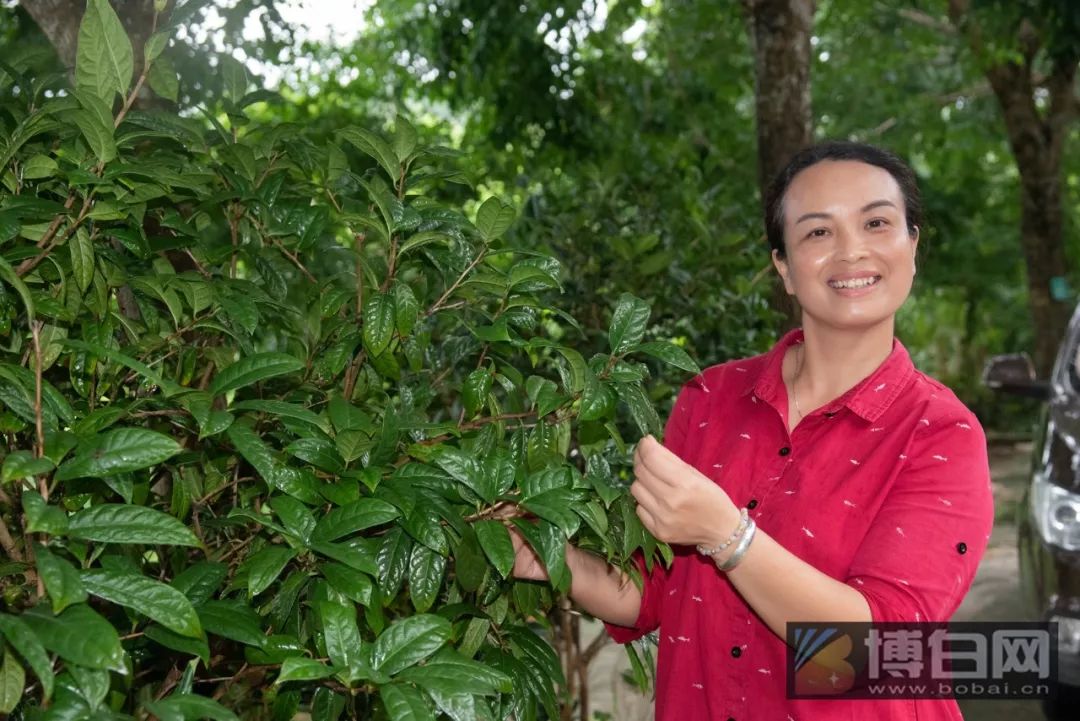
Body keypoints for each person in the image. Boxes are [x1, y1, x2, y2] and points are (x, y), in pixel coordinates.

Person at [511, 141, 995, 720]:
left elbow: (881, 650)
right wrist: (548, 557)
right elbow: (653, 592)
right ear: (784, 268)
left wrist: (729, 538)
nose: (851, 250)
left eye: (876, 222)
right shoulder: (709, 398)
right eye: (817, 232)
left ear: (913, 247)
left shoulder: (941, 433)